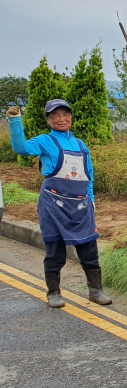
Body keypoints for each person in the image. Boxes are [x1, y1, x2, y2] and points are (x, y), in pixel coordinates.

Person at [6, 101, 112, 307]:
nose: (61, 119)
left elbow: (88, 175)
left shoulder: (81, 145)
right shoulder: (44, 141)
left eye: (65, 114)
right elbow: (21, 149)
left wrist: (91, 200)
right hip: (53, 205)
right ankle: (53, 292)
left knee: (89, 249)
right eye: (55, 115)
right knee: (55, 251)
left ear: (71, 117)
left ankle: (96, 291)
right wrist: (15, 121)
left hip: (80, 204)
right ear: (48, 120)